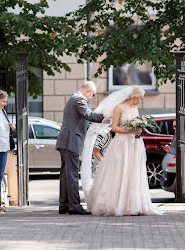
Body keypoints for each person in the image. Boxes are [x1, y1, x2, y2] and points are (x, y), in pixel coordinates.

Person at [85, 86, 164, 216]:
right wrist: (129, 131)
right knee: (120, 171)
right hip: (122, 143)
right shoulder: (119, 108)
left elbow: (136, 124)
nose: (139, 101)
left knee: (133, 171)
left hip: (134, 143)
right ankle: (116, 204)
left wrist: (138, 130)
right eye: (139, 99)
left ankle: (133, 204)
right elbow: (115, 127)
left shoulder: (135, 108)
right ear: (134, 97)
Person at [56, 81, 104, 215]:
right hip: (71, 141)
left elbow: (83, 121)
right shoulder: (79, 99)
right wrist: (106, 116)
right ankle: (74, 206)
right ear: (88, 91)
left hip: (67, 141)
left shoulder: (74, 98)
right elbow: (89, 115)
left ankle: (64, 205)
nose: (92, 97)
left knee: (66, 175)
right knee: (71, 175)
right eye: (93, 94)